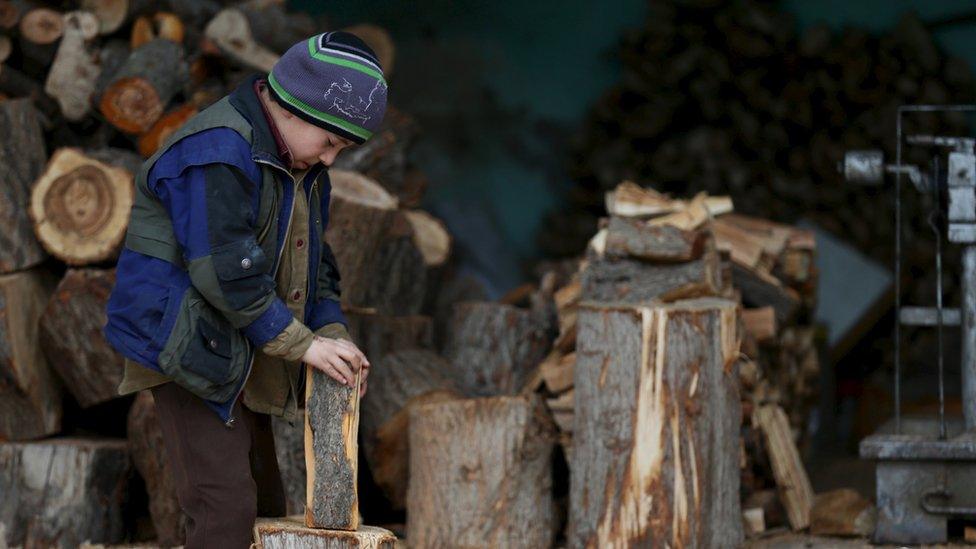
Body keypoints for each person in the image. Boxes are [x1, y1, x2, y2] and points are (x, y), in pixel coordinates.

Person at [103, 31, 387, 548]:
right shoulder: (216, 151)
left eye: (341, 150)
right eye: (329, 143)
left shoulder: (302, 168)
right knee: (224, 508)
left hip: (237, 339)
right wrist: (304, 347)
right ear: (296, 108)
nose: (330, 161)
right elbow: (223, 273)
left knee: (264, 508)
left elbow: (316, 264)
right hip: (181, 343)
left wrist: (331, 334)